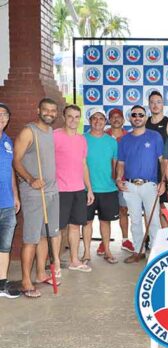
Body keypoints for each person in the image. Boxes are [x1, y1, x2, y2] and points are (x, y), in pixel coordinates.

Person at [13, 98, 61, 298]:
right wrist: (31, 179)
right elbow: (16, 160)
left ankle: (41, 273)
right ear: (38, 110)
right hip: (34, 193)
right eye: (46, 110)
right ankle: (26, 281)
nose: (49, 113)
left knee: (44, 236)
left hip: (51, 192)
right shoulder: (28, 132)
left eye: (52, 110)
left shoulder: (50, 132)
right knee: (31, 239)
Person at [116, 105, 164, 263]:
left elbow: (162, 161)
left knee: (154, 220)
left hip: (150, 185)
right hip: (130, 186)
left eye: (141, 115)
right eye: (134, 115)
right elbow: (121, 163)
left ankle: (156, 253)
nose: (137, 117)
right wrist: (118, 179)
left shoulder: (155, 136)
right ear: (130, 118)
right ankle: (138, 250)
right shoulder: (124, 140)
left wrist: (163, 182)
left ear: (146, 117)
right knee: (135, 220)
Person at [54, 105, 94, 273]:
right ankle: (55, 262)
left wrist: (89, 189)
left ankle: (74, 260)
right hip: (60, 190)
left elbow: (83, 165)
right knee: (58, 228)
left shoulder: (81, 139)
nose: (73, 120)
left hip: (78, 189)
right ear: (64, 117)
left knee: (75, 226)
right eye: (70, 116)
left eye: (77, 117)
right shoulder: (54, 136)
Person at [82, 108, 119, 264]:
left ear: (106, 121)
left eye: (101, 118)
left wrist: (116, 180)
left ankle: (107, 251)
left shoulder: (112, 141)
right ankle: (86, 254)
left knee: (105, 221)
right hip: (86, 189)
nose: (98, 121)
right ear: (90, 121)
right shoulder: (82, 139)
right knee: (87, 222)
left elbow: (115, 165)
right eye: (94, 118)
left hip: (108, 189)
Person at [96, 108, 134, 255]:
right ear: (109, 120)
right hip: (106, 181)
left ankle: (125, 240)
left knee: (123, 210)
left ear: (123, 120)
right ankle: (103, 242)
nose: (116, 119)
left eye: (119, 117)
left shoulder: (129, 136)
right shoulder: (102, 135)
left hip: (123, 180)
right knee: (105, 214)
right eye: (113, 117)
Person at [146, 90, 168, 228]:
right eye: (152, 102)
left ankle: (164, 237)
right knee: (149, 207)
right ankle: (151, 238)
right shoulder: (144, 122)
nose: (155, 105)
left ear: (163, 104)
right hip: (148, 171)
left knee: (164, 207)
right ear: (149, 105)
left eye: (158, 102)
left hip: (164, 170)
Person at [0, 103, 21, 298]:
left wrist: (15, 195)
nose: (1, 118)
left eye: (5, 115)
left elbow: (11, 171)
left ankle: (1, 285)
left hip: (7, 203)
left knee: (4, 246)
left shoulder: (7, 142)